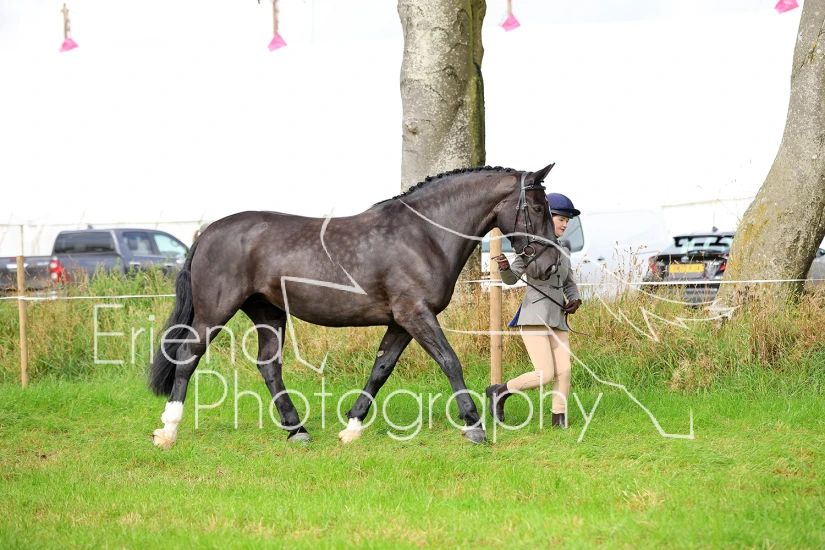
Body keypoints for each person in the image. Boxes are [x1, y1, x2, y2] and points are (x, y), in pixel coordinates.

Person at [486, 192, 583, 428]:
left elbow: (568, 282)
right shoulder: (529, 247)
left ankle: (558, 420)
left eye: (567, 221)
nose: (565, 224)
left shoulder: (564, 250)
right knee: (544, 374)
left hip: (558, 318)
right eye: (561, 219)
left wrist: (575, 299)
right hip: (534, 316)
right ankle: (500, 392)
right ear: (548, 218)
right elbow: (511, 279)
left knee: (565, 371)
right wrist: (505, 268)